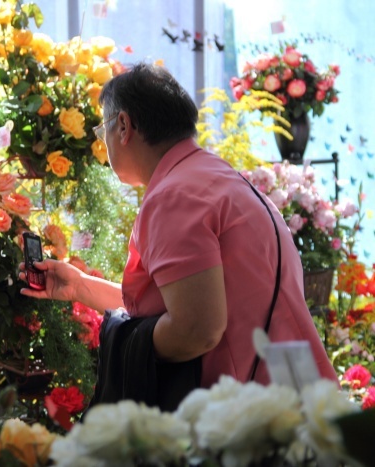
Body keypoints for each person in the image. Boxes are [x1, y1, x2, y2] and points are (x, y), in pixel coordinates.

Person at [20, 62, 337, 388]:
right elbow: (184, 305)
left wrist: (122, 340)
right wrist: (80, 286)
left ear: (125, 126)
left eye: (104, 130)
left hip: (253, 414)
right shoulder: (213, 176)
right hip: (298, 392)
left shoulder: (175, 196)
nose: (105, 142)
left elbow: (196, 331)